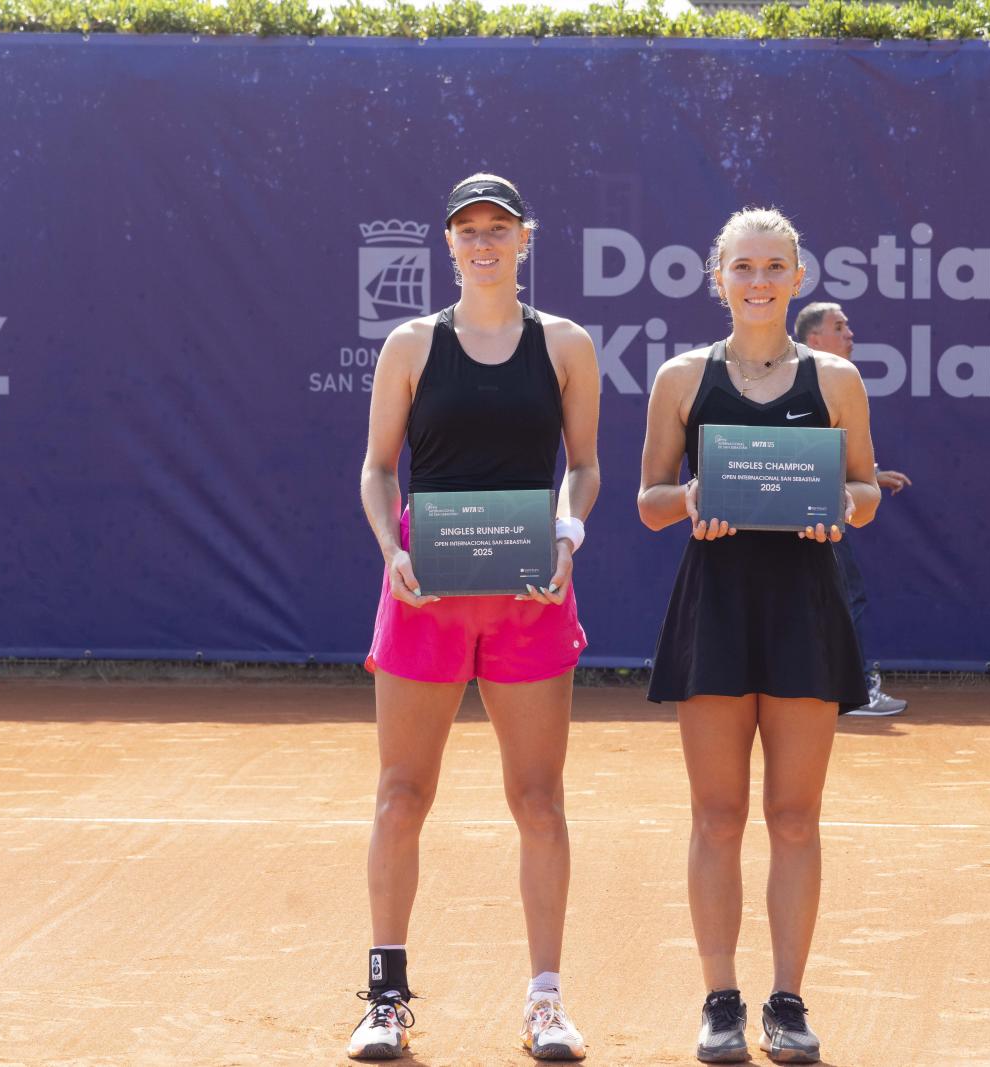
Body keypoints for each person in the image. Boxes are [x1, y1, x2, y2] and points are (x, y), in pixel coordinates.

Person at [350, 174, 601, 1062]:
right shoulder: (411, 345)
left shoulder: (566, 344)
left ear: (525, 238)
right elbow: (380, 471)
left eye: (499, 227)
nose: (484, 241)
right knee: (401, 793)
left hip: (534, 585)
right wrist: (393, 550)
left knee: (538, 797)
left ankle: (545, 1001)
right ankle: (385, 998)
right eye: (469, 230)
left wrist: (567, 535)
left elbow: (584, 466)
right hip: (426, 584)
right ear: (448, 244)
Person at [638, 208, 879, 1064]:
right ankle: (719, 1001)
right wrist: (694, 500)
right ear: (719, 278)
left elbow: (864, 491)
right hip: (717, 606)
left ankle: (787, 1001)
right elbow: (650, 500)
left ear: (798, 277)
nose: (760, 280)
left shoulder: (837, 380)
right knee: (716, 813)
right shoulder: (680, 378)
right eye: (744, 267)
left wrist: (839, 513)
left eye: (775, 266)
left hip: (803, 607)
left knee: (795, 815)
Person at [794, 301, 912, 717]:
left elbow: (827, 447)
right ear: (815, 339)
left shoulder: (833, 381)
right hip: (813, 514)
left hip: (822, 509)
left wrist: (869, 476)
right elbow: (805, 450)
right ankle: (855, 690)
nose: (850, 334)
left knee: (834, 598)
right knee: (846, 597)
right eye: (839, 327)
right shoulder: (805, 380)